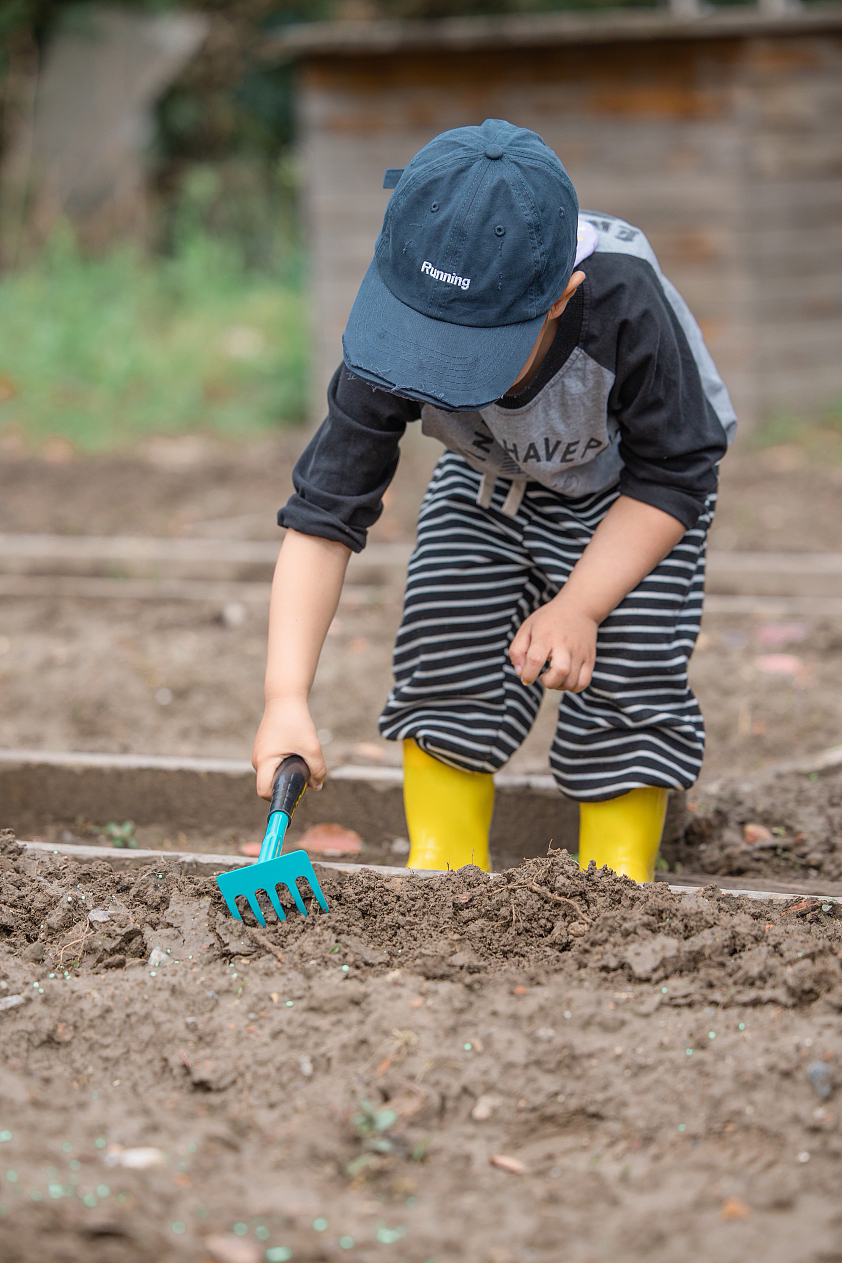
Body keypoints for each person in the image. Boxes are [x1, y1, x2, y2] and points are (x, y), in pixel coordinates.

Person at [252, 118, 736, 882]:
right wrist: (285, 695)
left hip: (631, 499)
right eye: (428, 345)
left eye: (472, 354)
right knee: (444, 652)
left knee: (629, 674)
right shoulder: (395, 326)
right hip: (487, 487)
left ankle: (615, 879)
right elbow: (323, 516)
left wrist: (580, 605)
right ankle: (445, 869)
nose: (437, 366)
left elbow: (676, 473)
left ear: (559, 299)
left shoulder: (625, 302)